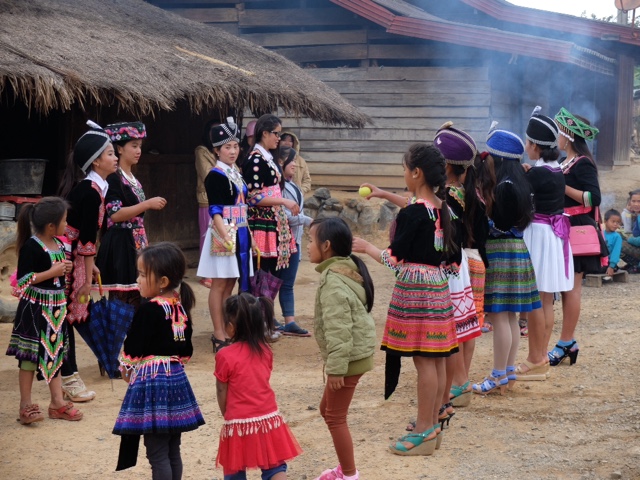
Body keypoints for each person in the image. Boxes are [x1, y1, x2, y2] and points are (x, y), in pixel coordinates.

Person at [353, 143, 459, 456]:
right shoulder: (443, 209)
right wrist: (384, 193)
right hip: (438, 288)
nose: (403, 174)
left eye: (404, 169)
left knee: (424, 361)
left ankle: (423, 430)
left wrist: (367, 248)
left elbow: (393, 259)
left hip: (416, 292)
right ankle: (432, 424)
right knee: (436, 360)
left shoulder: (414, 213)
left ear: (416, 173)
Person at [113, 242, 205, 477]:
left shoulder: (148, 310)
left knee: (157, 453)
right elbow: (186, 351)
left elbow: (133, 347)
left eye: (143, 275)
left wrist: (126, 369)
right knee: (172, 449)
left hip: (153, 383)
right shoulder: (180, 308)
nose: (138, 280)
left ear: (163, 281)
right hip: (176, 380)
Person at [471, 125, 541, 395]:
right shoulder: (520, 183)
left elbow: (497, 225)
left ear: (498, 158)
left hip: (500, 252)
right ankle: (508, 371)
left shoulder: (503, 187)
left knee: (499, 316)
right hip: (517, 249)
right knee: (510, 316)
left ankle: (498, 374)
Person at [308, 218, 376, 480]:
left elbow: (339, 329)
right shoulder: (342, 270)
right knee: (327, 410)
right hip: (350, 355)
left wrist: (336, 369)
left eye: (310, 241)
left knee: (335, 417)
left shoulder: (333, 282)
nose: (307, 246)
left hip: (348, 359)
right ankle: (344, 469)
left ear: (326, 246)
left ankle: (349, 475)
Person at [5, 197, 83, 423]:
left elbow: (57, 274)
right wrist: (52, 272)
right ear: (51, 226)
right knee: (29, 357)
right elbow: (22, 281)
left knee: (54, 354)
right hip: (34, 311)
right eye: (64, 221)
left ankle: (57, 403)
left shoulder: (58, 244)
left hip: (55, 310)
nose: (66, 224)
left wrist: (65, 268)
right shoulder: (31, 246)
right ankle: (25, 405)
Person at [57, 120, 119, 402]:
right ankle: (69, 379)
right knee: (64, 317)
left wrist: (89, 266)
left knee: (66, 317)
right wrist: (84, 274)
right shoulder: (91, 192)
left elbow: (85, 238)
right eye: (110, 153)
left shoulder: (95, 188)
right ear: (95, 162)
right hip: (67, 260)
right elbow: (86, 240)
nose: (115, 157)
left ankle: (68, 375)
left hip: (73, 257)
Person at [215, 293, 302, 479]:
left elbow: (222, 389)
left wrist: (227, 414)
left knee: (234, 468)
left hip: (239, 420)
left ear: (231, 328)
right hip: (268, 417)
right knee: (274, 465)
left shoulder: (225, 355)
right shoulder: (265, 351)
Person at [517, 109, 573, 381]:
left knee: (535, 301)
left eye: (527, 142)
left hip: (538, 234)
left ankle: (535, 358)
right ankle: (540, 356)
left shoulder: (536, 174)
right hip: (554, 235)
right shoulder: (556, 169)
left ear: (535, 146)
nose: (526, 147)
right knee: (546, 299)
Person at [548, 108, 607, 366]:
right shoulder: (564, 161)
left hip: (577, 227)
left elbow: (594, 197)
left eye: (559, 133)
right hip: (562, 226)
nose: (557, 138)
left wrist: (562, 186)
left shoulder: (582, 163)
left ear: (568, 136)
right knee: (565, 288)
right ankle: (567, 341)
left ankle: (566, 341)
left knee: (572, 288)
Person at [242, 114, 309, 336]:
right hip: (261, 223)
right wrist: (283, 201)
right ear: (264, 133)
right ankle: (258, 323)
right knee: (261, 272)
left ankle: (265, 321)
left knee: (270, 272)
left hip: (273, 222)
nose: (279, 138)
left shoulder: (267, 157)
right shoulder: (255, 159)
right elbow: (253, 197)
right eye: (276, 134)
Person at [432, 123, 481, 419]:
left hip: (448, 265)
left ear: (446, 166)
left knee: (451, 329)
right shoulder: (462, 190)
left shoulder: (446, 196)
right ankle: (460, 383)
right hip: (459, 262)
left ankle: (458, 384)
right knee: (462, 326)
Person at [196, 118, 254, 353]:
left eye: (235, 146)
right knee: (219, 283)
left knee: (230, 282)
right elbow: (215, 210)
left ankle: (228, 328)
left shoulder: (236, 172)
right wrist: (226, 236)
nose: (232, 151)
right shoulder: (215, 175)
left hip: (240, 229)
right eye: (227, 147)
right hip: (225, 230)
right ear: (216, 150)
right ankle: (218, 332)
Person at [97, 121, 167, 307]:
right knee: (124, 298)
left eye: (140, 146)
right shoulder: (114, 178)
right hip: (122, 243)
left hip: (137, 241)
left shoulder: (132, 178)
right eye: (134, 146)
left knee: (139, 295)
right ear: (119, 149)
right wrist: (147, 204)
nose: (138, 151)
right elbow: (114, 214)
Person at [276, 147, 313, 333]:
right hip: (280, 240)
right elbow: (284, 216)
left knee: (288, 283)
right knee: (273, 281)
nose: (295, 164)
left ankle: (289, 321)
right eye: (291, 161)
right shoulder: (278, 188)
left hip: (294, 240)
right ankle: (267, 318)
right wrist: (307, 221)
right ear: (280, 163)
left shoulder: (293, 185)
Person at [196, 117, 222, 288]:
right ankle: (205, 273)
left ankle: (216, 271)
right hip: (207, 199)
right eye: (213, 131)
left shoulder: (223, 150)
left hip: (222, 200)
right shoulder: (202, 151)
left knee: (219, 235)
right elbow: (207, 174)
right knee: (206, 236)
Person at [620, 190, 640, 273]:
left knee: (617, 244)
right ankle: (632, 264)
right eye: (633, 201)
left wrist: (629, 239)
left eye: (639, 201)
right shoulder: (637, 215)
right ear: (629, 202)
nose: (636, 204)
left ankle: (636, 265)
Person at [602, 209, 623, 275]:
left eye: (617, 222)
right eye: (613, 221)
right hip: (600, 261)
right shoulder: (601, 234)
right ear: (605, 221)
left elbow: (616, 252)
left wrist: (611, 266)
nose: (615, 224)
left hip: (609, 263)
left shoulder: (617, 237)